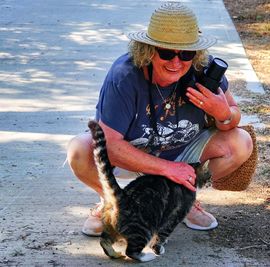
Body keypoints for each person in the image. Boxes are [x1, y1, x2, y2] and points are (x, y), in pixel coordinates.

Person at [67, 2, 253, 236]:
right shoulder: (124, 76)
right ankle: (113, 202)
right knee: (79, 149)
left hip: (183, 153)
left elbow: (234, 115)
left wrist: (223, 113)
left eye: (185, 53)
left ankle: (183, 200)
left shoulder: (202, 69)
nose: (176, 63)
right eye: (166, 52)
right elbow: (111, 145)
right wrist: (168, 169)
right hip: (131, 156)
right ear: (148, 50)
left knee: (241, 142)